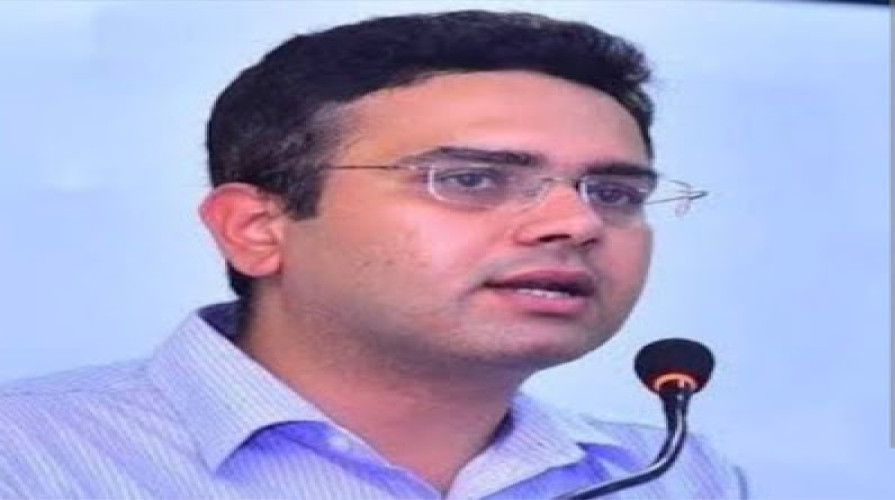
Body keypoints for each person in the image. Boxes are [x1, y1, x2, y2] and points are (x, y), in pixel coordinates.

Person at [0, 10, 745, 500]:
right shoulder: (29, 458)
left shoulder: (671, 474)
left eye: (614, 192)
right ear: (255, 228)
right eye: (472, 179)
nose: (576, 223)